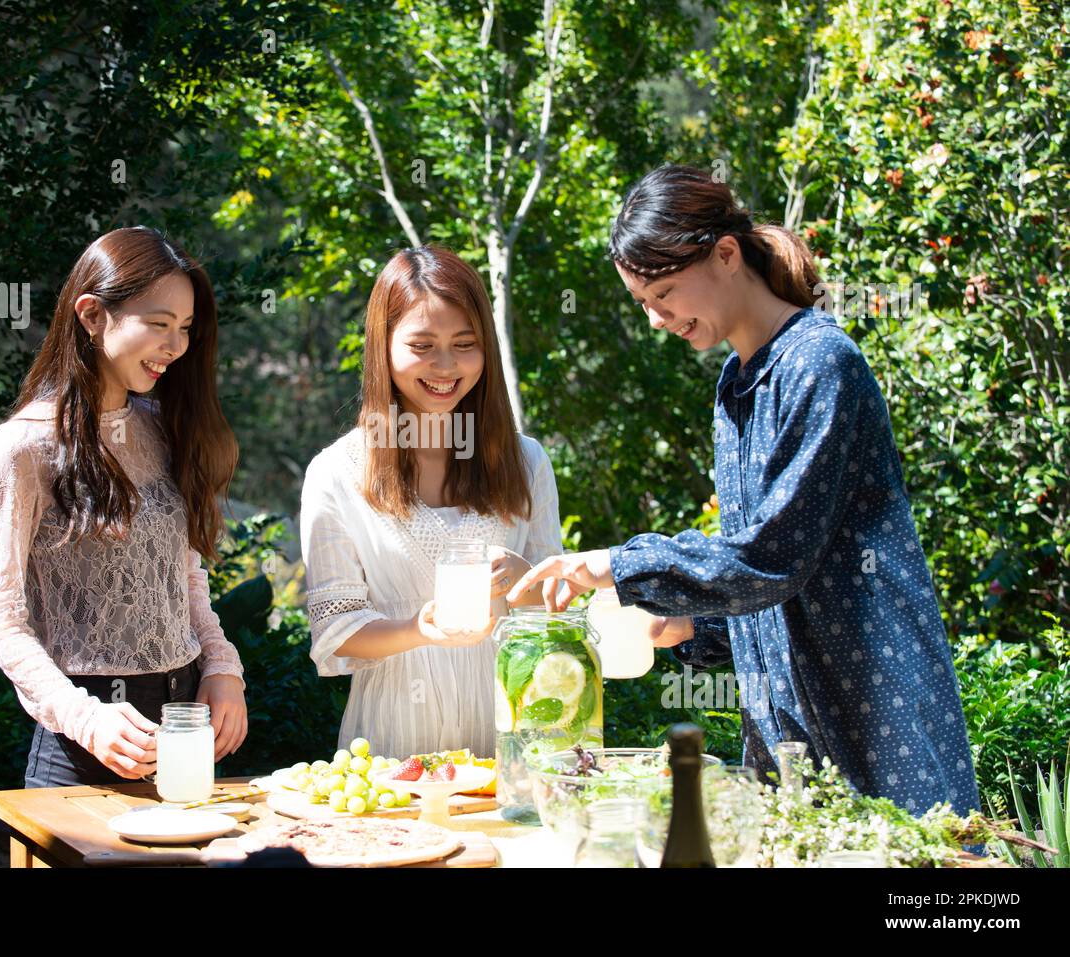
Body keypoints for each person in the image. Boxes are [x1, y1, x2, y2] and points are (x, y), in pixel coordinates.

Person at [509, 165, 981, 817]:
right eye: (643, 302)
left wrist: (614, 565)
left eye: (665, 292)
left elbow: (770, 556)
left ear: (726, 254)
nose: (655, 319)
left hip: (874, 713)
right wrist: (689, 623)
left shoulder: (820, 362)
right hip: (787, 730)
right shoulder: (736, 383)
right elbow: (763, 577)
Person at [0, 226, 248, 787]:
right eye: (160, 325)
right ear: (92, 315)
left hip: (186, 725)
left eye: (186, 329)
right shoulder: (21, 449)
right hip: (82, 750)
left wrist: (222, 666)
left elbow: (185, 577)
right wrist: (86, 720)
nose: (176, 346)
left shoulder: (165, 429)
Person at [300, 245, 562, 759]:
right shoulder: (336, 473)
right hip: (393, 739)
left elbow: (552, 618)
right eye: (423, 345)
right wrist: (420, 628)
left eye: (464, 344)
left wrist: (522, 575)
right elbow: (335, 630)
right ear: (384, 346)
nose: (446, 365)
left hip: (506, 735)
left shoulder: (526, 462)